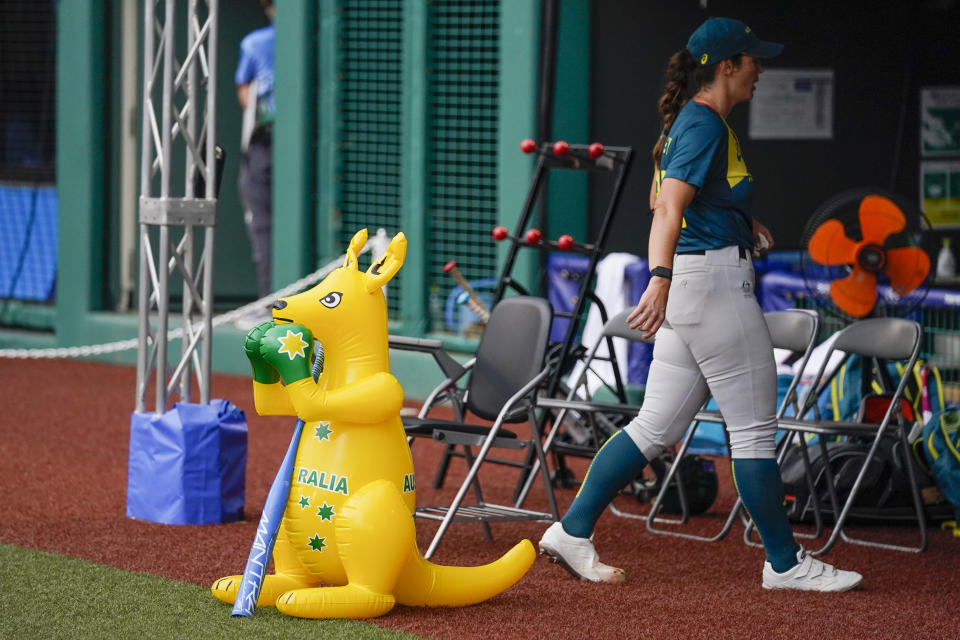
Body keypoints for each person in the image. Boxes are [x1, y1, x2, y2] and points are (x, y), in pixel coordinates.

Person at [538, 17, 863, 592]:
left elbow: (685, 206)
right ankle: (785, 564)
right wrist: (658, 278)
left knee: (655, 427)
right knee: (756, 432)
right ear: (726, 67)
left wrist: (742, 223)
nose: (760, 69)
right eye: (752, 60)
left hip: (699, 283)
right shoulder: (704, 125)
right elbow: (666, 209)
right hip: (709, 288)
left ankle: (573, 529)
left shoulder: (695, 123)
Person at [236, 0, 276, 300]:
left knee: (262, 224)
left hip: (266, 144)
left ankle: (269, 303)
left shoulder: (255, 42)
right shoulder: (254, 42)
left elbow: (245, 92)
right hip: (272, 143)